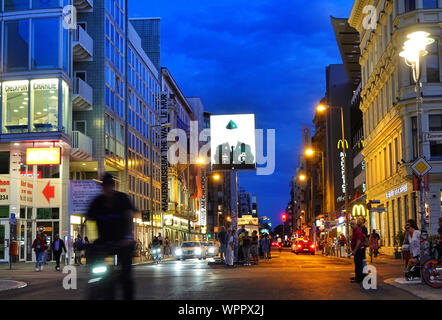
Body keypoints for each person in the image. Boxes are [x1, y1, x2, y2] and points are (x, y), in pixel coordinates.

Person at [86, 173, 136, 300]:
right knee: (95, 268)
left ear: (113, 186)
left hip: (122, 242)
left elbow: (129, 217)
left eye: (109, 186)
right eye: (104, 186)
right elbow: (88, 221)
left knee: (126, 276)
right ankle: (96, 286)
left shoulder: (122, 199)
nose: (107, 189)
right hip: (103, 242)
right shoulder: (97, 202)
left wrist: (128, 237)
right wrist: (87, 240)